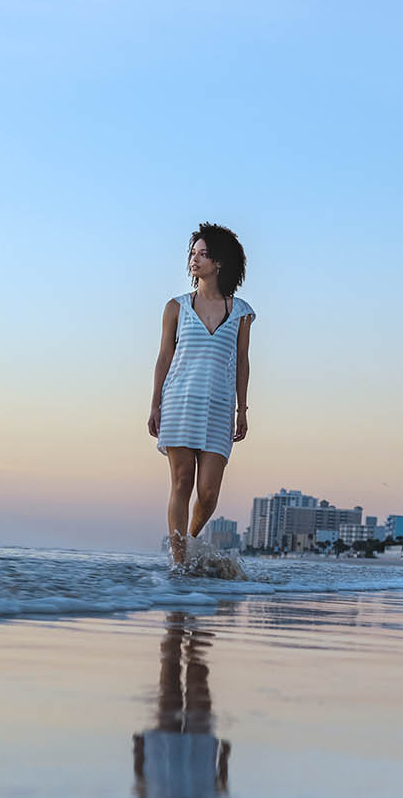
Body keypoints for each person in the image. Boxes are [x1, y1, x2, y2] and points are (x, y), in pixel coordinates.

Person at [149, 223, 253, 567]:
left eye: (203, 253)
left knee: (208, 493)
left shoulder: (240, 312)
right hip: (179, 402)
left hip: (219, 408)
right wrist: (155, 404)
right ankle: (179, 563)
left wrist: (242, 409)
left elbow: (242, 362)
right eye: (192, 253)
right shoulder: (176, 307)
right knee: (181, 481)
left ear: (219, 262)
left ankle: (189, 542)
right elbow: (164, 357)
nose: (195, 259)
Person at [132, 611, 231, 796]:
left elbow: (141, 789)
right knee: (196, 678)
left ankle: (178, 608)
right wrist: (224, 760)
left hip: (163, 764)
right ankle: (191, 613)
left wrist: (138, 753)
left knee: (171, 674)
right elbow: (220, 790)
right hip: (197, 763)